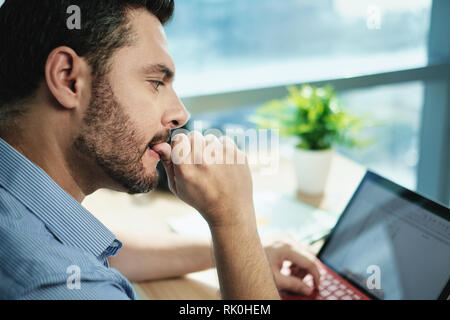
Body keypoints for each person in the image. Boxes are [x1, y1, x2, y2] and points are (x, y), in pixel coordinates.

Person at [0, 0, 320, 300]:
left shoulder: (21, 204)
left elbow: (96, 251)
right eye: (155, 82)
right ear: (68, 79)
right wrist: (234, 222)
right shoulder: (65, 286)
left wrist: (238, 251)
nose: (180, 113)